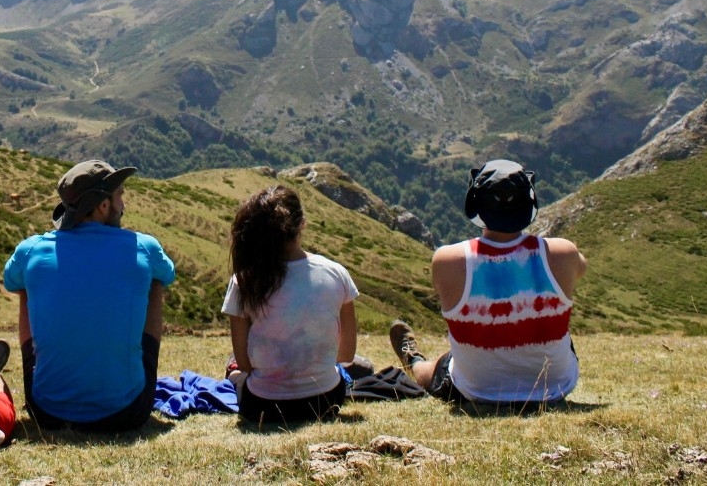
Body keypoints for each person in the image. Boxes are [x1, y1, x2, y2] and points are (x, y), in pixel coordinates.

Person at [389, 159, 588, 406]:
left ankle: (414, 361)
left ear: (475, 203)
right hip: (555, 386)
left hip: (476, 390)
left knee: (441, 366)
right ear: (529, 203)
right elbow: (581, 268)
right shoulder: (563, 252)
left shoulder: (448, 259)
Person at [3, 159, 176, 431]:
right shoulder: (143, 246)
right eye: (119, 196)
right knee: (154, 281)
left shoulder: (31, 249)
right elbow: (168, 274)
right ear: (103, 206)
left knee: (27, 284)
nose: (123, 204)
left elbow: (10, 282)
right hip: (126, 412)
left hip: (46, 411)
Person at [222, 186, 361, 424]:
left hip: (262, 406)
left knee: (233, 368)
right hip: (326, 401)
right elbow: (346, 354)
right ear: (302, 224)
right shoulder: (336, 273)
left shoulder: (244, 281)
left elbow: (244, 363)